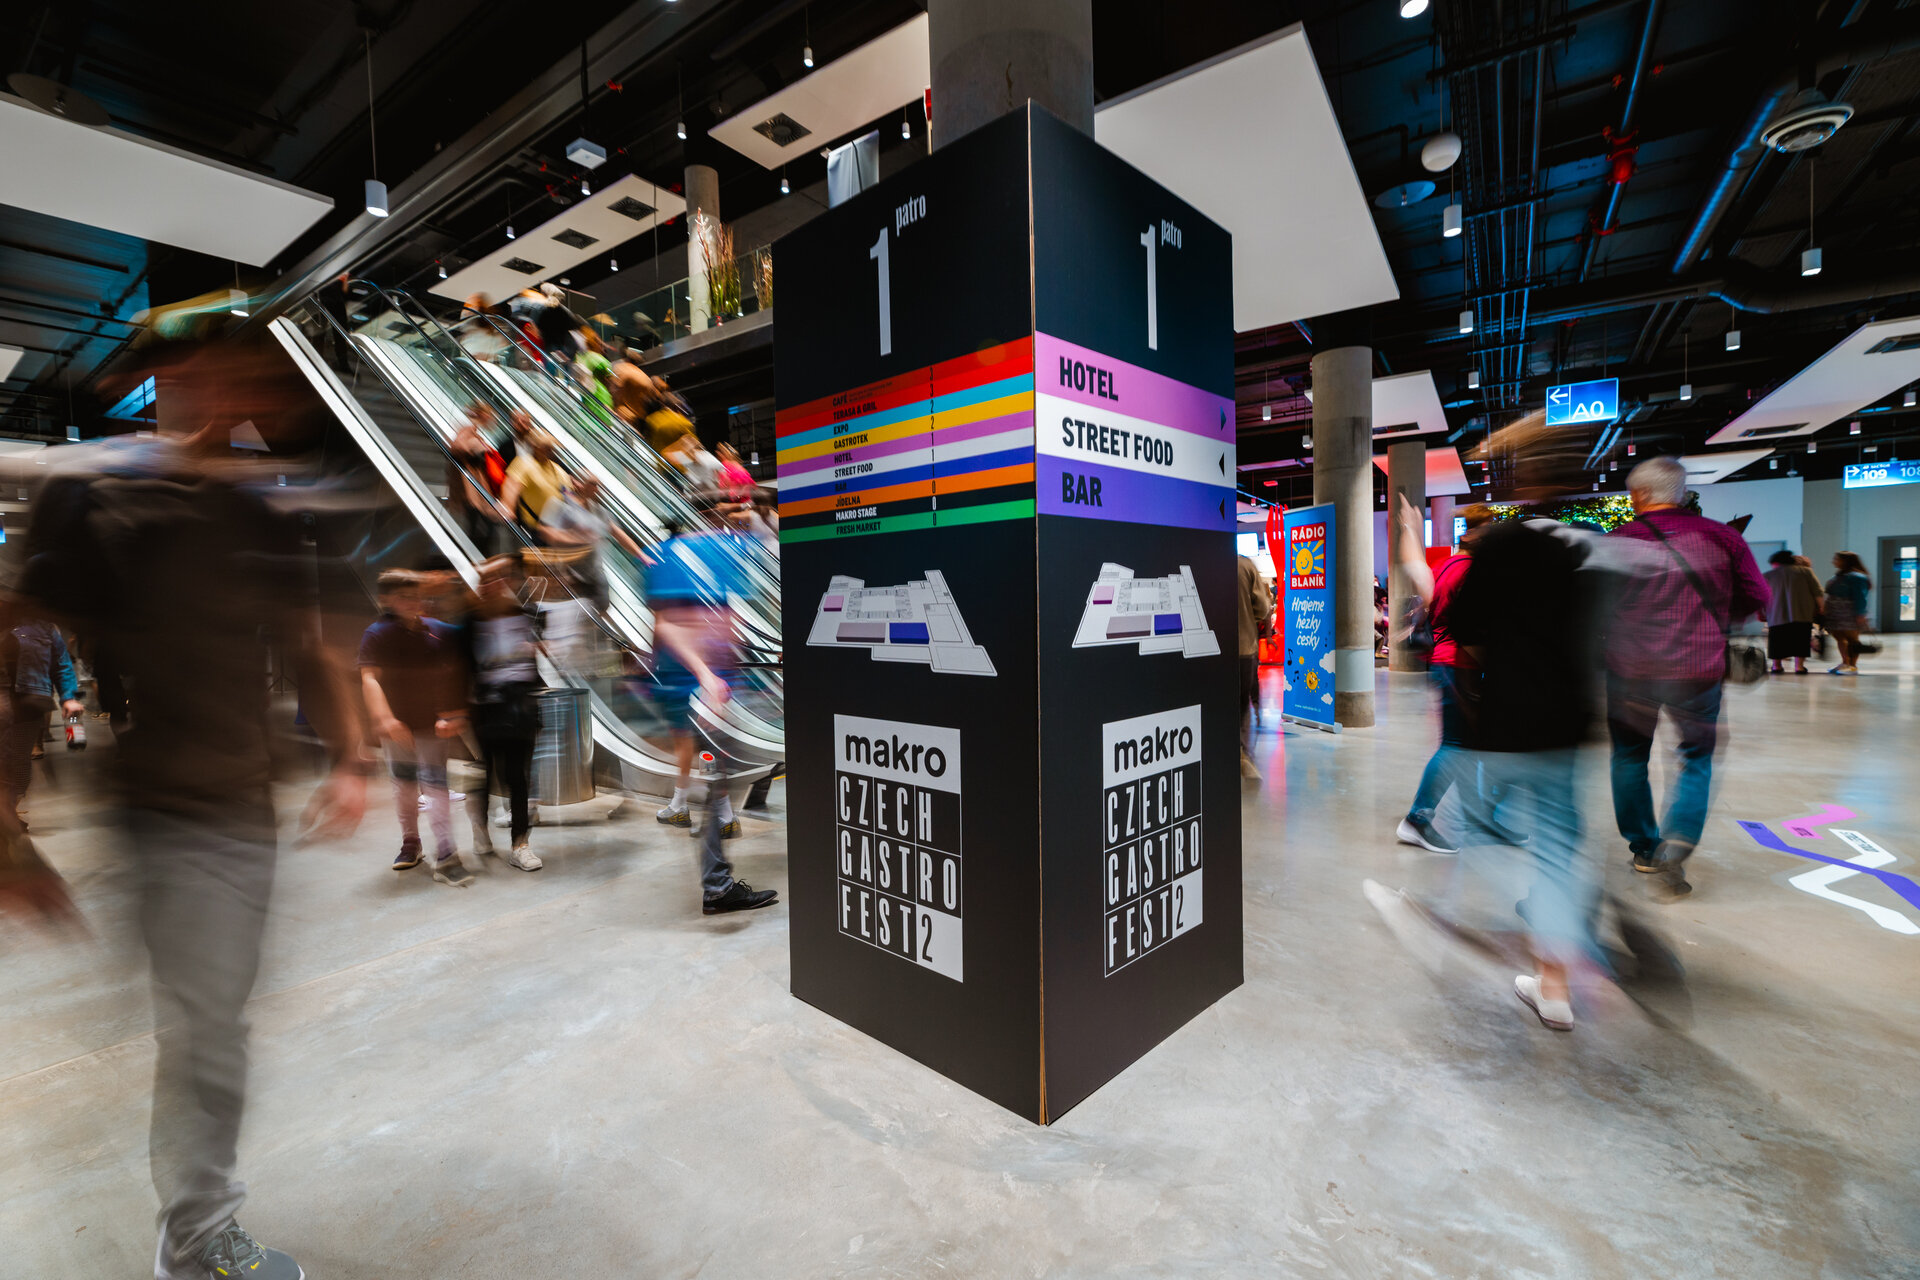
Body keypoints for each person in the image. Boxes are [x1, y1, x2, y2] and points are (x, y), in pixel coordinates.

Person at [9, 335, 368, 1280]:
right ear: (175, 377)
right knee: (207, 1039)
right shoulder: (99, 492)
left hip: (244, 809)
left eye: (267, 381)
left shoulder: (255, 506)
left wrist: (353, 755)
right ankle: (199, 1244)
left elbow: (306, 641)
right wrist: (7, 831)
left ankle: (196, 1224)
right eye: (233, 371)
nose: (257, 395)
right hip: (169, 817)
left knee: (213, 1027)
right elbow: (13, 647)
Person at [1445, 413, 1607, 1031]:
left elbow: (1465, 630)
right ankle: (1555, 984)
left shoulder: (1501, 545)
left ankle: (1544, 939)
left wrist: (1477, 688)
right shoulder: (1588, 545)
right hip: (1569, 722)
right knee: (1558, 848)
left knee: (1481, 828)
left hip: (1508, 719)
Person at [1604, 456, 1770, 901]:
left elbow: (1594, 609)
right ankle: (1675, 846)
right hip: (1699, 669)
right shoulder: (1723, 538)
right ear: (1681, 493)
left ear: (1638, 495)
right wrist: (1716, 617)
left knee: (1629, 756)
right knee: (1696, 757)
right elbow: (1757, 595)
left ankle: (1644, 847)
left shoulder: (1617, 541)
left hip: (1630, 670)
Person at [643, 517, 778, 915]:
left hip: (708, 690)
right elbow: (667, 626)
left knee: (717, 778)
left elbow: (720, 618)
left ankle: (718, 879)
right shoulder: (678, 559)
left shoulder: (709, 559)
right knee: (714, 773)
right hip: (697, 694)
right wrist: (705, 675)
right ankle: (717, 887)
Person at [359, 569, 473, 886]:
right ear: (386, 599)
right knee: (405, 787)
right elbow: (369, 678)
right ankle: (411, 843)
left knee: (436, 787)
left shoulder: (436, 630)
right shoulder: (376, 634)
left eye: (416, 596)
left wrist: (455, 712)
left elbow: (454, 670)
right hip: (397, 729)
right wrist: (384, 718)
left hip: (431, 725)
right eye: (403, 597)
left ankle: (447, 854)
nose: (412, 602)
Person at [1397, 502, 1496, 855]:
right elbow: (1473, 632)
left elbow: (1414, 564)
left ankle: (1477, 815)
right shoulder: (1471, 572)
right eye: (1489, 529)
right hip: (1461, 667)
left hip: (1448, 666)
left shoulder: (1448, 566)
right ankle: (1417, 819)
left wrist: (1410, 528)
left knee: (1466, 745)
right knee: (1457, 745)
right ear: (1473, 534)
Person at [460, 555, 542, 870]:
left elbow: (533, 661)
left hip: (520, 708)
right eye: (488, 579)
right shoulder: (470, 623)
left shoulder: (525, 615)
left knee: (517, 778)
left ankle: (520, 843)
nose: (496, 584)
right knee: (484, 773)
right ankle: (480, 827)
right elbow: (460, 669)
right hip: (485, 711)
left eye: (503, 577)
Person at [1, 613, 87, 829]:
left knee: (18, 763)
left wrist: (69, 697)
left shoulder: (45, 628)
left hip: (28, 704)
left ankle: (8, 811)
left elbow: (62, 665)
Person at [540, 474, 644, 607]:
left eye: (599, 486)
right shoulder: (560, 504)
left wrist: (641, 555)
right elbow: (546, 532)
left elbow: (617, 533)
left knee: (602, 606)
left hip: (594, 573)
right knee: (573, 610)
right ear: (577, 483)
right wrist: (579, 539)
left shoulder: (599, 511)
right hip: (569, 572)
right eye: (593, 484)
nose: (597, 489)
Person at [1236, 553, 1272, 782]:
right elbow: (1262, 607)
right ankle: (1243, 755)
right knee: (1241, 704)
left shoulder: (1204, 560)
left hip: (1209, 650)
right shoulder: (1245, 565)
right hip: (1243, 646)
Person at [1763, 549, 1824, 674]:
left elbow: (1761, 595)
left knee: (1777, 639)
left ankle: (1776, 666)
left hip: (1776, 614)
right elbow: (1817, 591)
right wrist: (1822, 607)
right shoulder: (1805, 571)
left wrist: (1761, 611)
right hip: (1802, 612)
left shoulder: (1768, 575)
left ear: (1776, 562)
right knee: (1801, 638)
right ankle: (1799, 667)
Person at [501, 430, 570, 529]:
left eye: (551, 448)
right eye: (546, 447)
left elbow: (569, 494)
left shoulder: (558, 470)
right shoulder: (524, 463)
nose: (550, 451)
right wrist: (508, 506)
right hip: (531, 527)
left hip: (555, 528)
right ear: (535, 447)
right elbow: (511, 486)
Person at [1822, 551, 1873, 675]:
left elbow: (1860, 596)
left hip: (1848, 611)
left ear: (1845, 561)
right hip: (1835, 612)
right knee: (1839, 637)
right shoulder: (1840, 576)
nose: (1833, 561)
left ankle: (1852, 665)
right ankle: (1845, 662)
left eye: (1836, 559)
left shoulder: (1857, 577)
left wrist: (1860, 613)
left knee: (1852, 639)